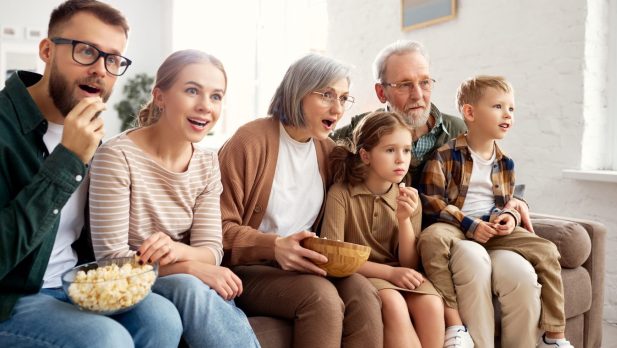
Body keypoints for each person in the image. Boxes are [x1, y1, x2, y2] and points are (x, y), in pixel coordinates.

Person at [331, 39, 541, 347]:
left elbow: (499, 167)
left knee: (519, 275)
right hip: (410, 247)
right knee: (465, 268)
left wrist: (516, 199)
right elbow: (318, 156)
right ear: (381, 92)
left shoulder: (459, 130)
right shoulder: (358, 134)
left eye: (425, 82)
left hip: (456, 231)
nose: (418, 94)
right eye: (404, 85)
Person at [0, 1, 183, 347]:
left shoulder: (97, 136)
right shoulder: (5, 127)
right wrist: (67, 159)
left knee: (161, 318)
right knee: (106, 340)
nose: (100, 69)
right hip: (10, 301)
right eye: (86, 51)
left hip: (75, 286)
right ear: (47, 50)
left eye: (113, 59)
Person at [89, 49, 259, 347]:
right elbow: (109, 261)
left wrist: (177, 251)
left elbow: (211, 251)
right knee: (189, 285)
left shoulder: (206, 163)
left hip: (178, 282)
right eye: (192, 90)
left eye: (216, 96)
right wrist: (188, 266)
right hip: (123, 284)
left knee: (190, 286)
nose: (206, 106)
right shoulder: (116, 157)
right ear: (160, 96)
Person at [218, 53, 383, 347]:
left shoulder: (328, 152)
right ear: (298, 91)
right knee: (321, 297)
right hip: (249, 268)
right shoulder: (250, 141)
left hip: (303, 263)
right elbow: (218, 227)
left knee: (362, 292)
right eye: (327, 95)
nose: (337, 108)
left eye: (344, 98)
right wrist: (273, 246)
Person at [418, 75, 573, 348]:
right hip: (455, 224)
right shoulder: (444, 155)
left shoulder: (505, 163)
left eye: (511, 108)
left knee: (548, 250)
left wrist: (510, 218)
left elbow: (506, 202)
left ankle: (554, 336)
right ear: (470, 112)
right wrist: (469, 224)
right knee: (430, 238)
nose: (508, 115)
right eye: (498, 106)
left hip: (492, 227)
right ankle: (455, 325)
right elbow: (431, 202)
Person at [321, 111, 445, 348]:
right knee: (393, 303)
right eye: (390, 150)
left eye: (406, 150)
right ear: (366, 155)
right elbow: (333, 259)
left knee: (432, 304)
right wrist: (389, 274)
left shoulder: (409, 199)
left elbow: (408, 265)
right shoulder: (341, 194)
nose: (401, 159)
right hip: (359, 275)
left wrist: (404, 220)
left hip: (399, 272)